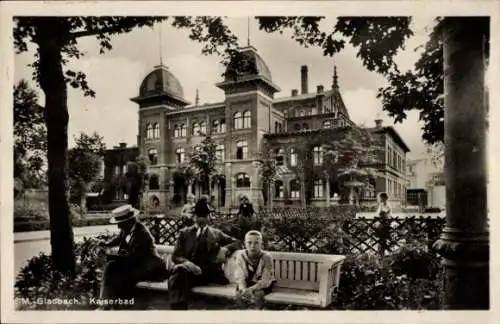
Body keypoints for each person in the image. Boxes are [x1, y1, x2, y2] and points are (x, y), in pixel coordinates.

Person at [168, 198, 241, 310]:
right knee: (179, 272)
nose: (201, 219)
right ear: (194, 217)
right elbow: (176, 256)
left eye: (204, 216)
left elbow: (237, 242)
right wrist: (188, 263)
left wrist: (225, 249)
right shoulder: (184, 233)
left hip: (209, 274)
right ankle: (179, 310)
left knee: (177, 275)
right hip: (189, 274)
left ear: (208, 217)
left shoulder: (216, 234)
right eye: (198, 215)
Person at [98, 204, 168, 309]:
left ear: (129, 221)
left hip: (150, 266)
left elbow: (135, 257)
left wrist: (113, 256)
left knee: (125, 275)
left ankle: (122, 306)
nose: (118, 226)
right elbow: (118, 239)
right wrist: (106, 244)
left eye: (120, 223)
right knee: (111, 266)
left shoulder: (142, 233)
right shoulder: (126, 229)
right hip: (135, 263)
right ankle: (105, 302)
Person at [231, 230, 275, 309]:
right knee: (239, 295)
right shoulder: (240, 256)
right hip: (246, 283)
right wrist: (243, 289)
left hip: (262, 285)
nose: (252, 246)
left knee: (258, 296)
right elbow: (239, 276)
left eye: (256, 243)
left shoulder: (267, 257)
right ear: (245, 244)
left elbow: (265, 280)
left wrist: (252, 289)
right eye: (249, 242)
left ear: (261, 244)